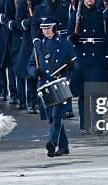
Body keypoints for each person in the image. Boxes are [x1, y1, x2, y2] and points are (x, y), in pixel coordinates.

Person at [28, 17, 75, 157]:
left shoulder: (66, 44)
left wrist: (71, 65)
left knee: (56, 116)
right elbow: (30, 65)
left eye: (48, 28)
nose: (46, 31)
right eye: (43, 29)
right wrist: (33, 72)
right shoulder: (38, 46)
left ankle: (52, 143)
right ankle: (64, 146)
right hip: (44, 86)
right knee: (52, 118)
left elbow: (74, 63)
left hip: (60, 84)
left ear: (54, 28)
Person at [68, 0, 108, 132]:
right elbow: (69, 34)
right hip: (82, 55)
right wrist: (73, 38)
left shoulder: (100, 13)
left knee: (97, 94)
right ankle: (84, 124)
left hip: (97, 56)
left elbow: (106, 35)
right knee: (83, 94)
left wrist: (106, 56)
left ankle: (98, 123)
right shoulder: (76, 15)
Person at [15, 0, 45, 114]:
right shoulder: (23, 2)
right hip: (28, 39)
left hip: (44, 37)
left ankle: (41, 102)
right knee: (30, 73)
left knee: (43, 72)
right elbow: (18, 22)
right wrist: (27, 22)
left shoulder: (45, 0)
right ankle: (30, 103)